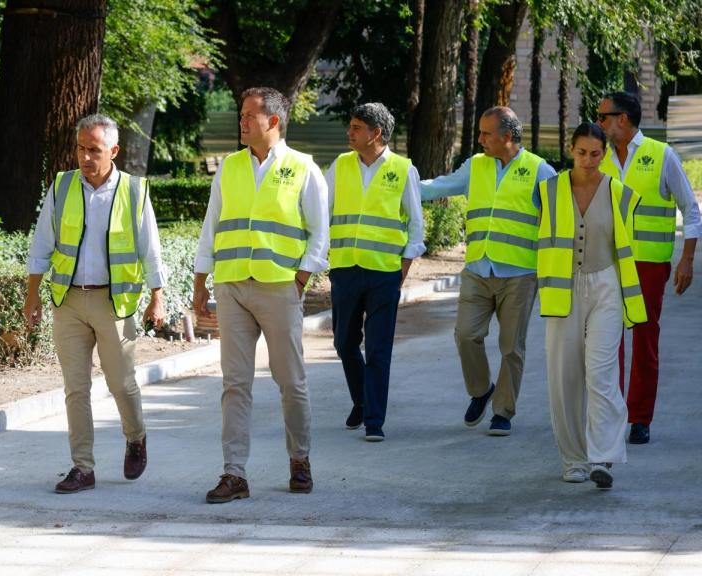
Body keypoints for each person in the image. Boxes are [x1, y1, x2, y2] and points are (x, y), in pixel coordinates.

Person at [193, 87, 329, 503]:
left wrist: (300, 280)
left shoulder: (303, 168)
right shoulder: (229, 167)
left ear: (273, 121)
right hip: (232, 286)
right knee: (235, 384)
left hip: (279, 287)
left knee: (291, 382)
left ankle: (299, 460)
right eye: (240, 115)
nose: (242, 122)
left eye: (249, 115)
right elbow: (210, 225)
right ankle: (234, 473)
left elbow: (319, 233)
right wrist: (200, 281)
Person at [24, 114, 166, 494]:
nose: (85, 157)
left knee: (121, 383)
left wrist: (157, 297)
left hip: (112, 302)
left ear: (114, 151)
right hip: (69, 300)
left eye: (95, 150)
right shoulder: (62, 186)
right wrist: (32, 294)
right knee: (75, 388)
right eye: (81, 149)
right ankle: (82, 467)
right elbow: (42, 244)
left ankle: (135, 438)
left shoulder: (134, 191)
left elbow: (150, 249)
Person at [420, 107, 556, 436]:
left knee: (512, 347)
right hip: (479, 268)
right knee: (466, 335)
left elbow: (558, 221)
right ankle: (482, 390)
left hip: (520, 273)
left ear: (507, 137)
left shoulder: (540, 170)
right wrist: (399, 185)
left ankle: (503, 411)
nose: (479, 139)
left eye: (486, 134)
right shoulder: (476, 166)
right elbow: (440, 186)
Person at [538, 122, 647, 489]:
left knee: (601, 375)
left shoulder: (620, 192)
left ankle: (604, 457)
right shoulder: (548, 190)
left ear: (604, 155)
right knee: (564, 378)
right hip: (561, 289)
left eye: (596, 154)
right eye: (581, 152)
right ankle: (574, 460)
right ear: (570, 150)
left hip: (606, 287)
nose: (588, 160)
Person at [596, 91, 701, 445]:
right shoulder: (600, 157)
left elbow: (692, 210)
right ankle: (611, 415)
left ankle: (640, 418)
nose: (598, 123)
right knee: (608, 340)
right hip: (607, 262)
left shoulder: (661, 156)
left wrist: (686, 259)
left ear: (621, 119)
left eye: (602, 117)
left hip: (649, 265)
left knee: (643, 340)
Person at [325, 103, 425, 441]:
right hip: (345, 270)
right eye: (350, 126)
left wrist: (405, 265)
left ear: (376, 133)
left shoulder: (403, 168)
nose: (349, 132)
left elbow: (415, 224)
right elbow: (322, 212)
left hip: (385, 273)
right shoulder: (339, 166)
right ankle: (362, 399)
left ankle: (374, 421)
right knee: (343, 343)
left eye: (356, 127)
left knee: (379, 348)